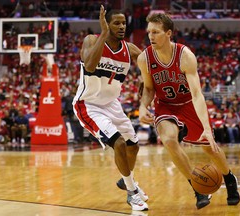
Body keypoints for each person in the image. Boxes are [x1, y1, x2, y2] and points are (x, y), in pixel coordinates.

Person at [137, 13, 240, 209]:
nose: (151, 36)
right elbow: (149, 88)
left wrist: (208, 129)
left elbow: (197, 94)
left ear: (168, 33)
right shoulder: (144, 58)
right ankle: (197, 187)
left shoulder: (185, 56)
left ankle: (229, 178)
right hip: (165, 105)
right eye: (149, 31)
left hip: (189, 104)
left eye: (156, 32)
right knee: (168, 139)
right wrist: (143, 106)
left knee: (209, 147)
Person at [72, 6, 148, 211]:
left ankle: (126, 180)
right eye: (116, 23)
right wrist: (104, 34)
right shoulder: (91, 40)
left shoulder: (130, 49)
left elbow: (147, 64)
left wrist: (144, 78)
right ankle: (132, 193)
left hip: (112, 104)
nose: (122, 26)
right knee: (120, 144)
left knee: (133, 146)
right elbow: (88, 65)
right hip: (89, 105)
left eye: (124, 23)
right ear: (106, 23)